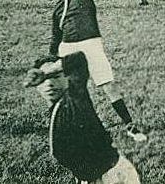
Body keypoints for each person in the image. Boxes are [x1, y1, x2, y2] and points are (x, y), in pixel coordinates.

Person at [48, 0, 148, 142]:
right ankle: (77, 129)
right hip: (69, 48)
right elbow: (55, 38)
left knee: (107, 85)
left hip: (91, 44)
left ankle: (130, 126)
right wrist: (51, 59)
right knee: (73, 91)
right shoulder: (56, 11)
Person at [24, 53, 141, 184]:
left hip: (112, 177)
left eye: (55, 77)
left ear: (67, 79)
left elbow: (78, 59)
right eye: (43, 81)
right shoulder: (57, 108)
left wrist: (45, 73)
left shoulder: (76, 99)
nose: (49, 83)